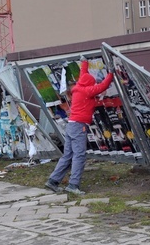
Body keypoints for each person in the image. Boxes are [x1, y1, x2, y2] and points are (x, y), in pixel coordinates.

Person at [45, 56, 114, 195]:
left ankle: (53, 181)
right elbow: (103, 86)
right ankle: (73, 185)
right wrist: (111, 73)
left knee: (68, 155)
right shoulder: (87, 91)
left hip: (71, 125)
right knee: (79, 155)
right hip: (79, 126)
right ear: (89, 84)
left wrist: (84, 63)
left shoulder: (78, 87)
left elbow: (83, 75)